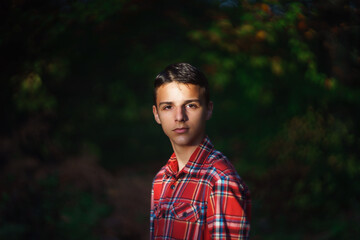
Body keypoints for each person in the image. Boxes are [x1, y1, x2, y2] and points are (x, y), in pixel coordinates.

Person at [150, 63, 251, 239]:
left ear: (208, 110)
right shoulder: (161, 180)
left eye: (190, 105)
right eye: (168, 107)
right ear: (156, 114)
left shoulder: (220, 180)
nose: (179, 117)